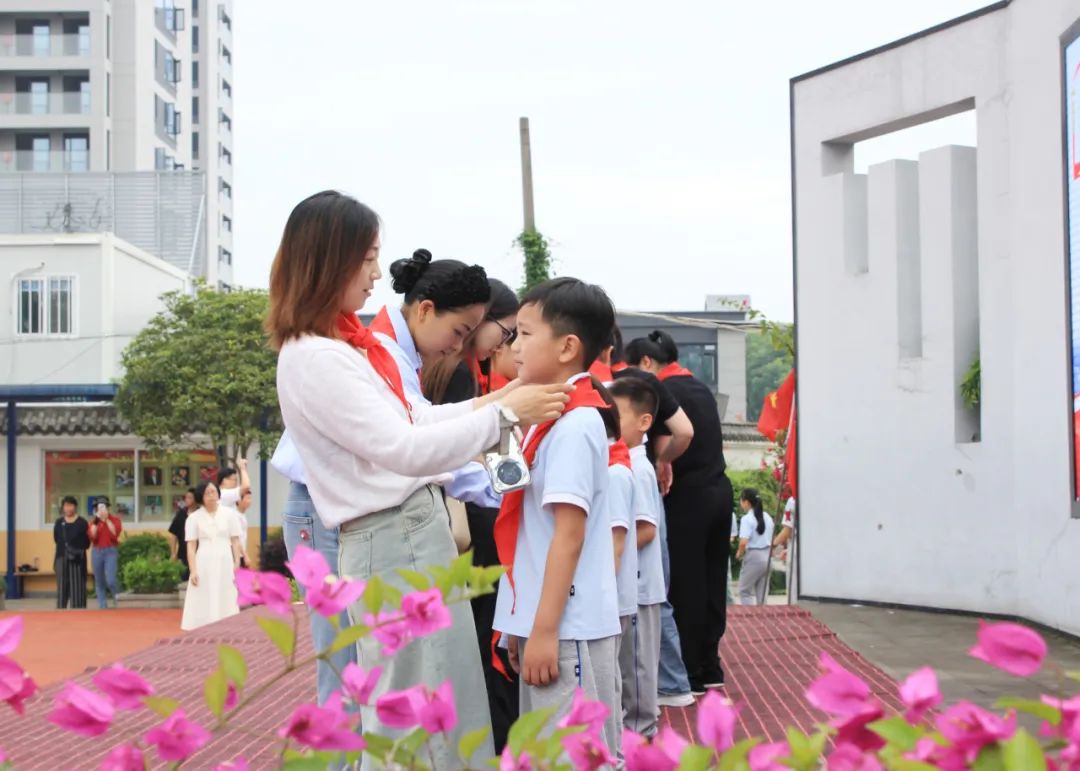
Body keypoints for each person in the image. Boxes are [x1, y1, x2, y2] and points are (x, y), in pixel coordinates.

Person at [268, 190, 569, 766]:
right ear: (331, 259)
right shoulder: (318, 355)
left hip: (401, 535)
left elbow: (412, 421)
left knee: (434, 704)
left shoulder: (339, 347)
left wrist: (498, 400)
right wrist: (505, 413)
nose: (377, 273)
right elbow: (402, 447)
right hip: (393, 539)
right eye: (367, 258)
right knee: (413, 713)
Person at [492, 277, 622, 758]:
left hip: (567, 627)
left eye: (525, 334)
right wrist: (519, 621)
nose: (514, 347)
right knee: (545, 754)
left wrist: (543, 629)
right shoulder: (551, 417)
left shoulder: (575, 423)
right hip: (548, 621)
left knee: (571, 756)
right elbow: (529, 529)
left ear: (568, 347)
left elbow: (568, 536)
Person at [423, 276, 521, 753]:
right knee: (484, 639)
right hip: (477, 525)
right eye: (506, 333)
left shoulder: (462, 372)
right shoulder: (464, 376)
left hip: (471, 518)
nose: (507, 345)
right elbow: (470, 454)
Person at [625, 330, 733, 693]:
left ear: (645, 364)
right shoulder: (699, 387)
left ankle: (687, 672)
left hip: (687, 497)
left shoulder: (660, 394)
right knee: (713, 581)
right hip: (720, 490)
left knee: (685, 584)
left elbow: (677, 436)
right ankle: (710, 664)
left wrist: (661, 460)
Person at [610, 377, 665, 736]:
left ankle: (641, 733)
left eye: (616, 417)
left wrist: (611, 553)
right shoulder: (627, 461)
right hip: (632, 582)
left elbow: (646, 529)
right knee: (630, 665)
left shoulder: (639, 467)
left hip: (640, 586)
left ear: (644, 422)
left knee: (637, 666)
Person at [596, 384, 637, 743]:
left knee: (609, 686)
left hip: (608, 600)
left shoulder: (614, 473)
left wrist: (597, 595)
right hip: (605, 598)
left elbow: (616, 544)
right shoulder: (611, 466)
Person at [180, 481, 244, 631]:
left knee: (226, 590)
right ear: (200, 497)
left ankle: (227, 624)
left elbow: (235, 540)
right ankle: (202, 625)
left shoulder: (230, 514)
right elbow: (191, 546)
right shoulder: (193, 518)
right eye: (207, 493)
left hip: (225, 559)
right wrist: (193, 570)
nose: (211, 496)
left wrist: (237, 562)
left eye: (213, 492)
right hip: (203, 560)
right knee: (203, 591)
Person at [736, 488, 774, 606]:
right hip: (767, 556)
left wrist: (739, 553)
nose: (740, 503)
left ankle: (749, 619)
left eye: (741, 500)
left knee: (744, 591)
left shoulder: (746, 519)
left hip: (754, 556)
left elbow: (743, 542)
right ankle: (762, 620)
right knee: (762, 594)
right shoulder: (767, 516)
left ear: (746, 502)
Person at [54, 496, 89, 609]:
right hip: (61, 557)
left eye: (71, 505)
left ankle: (78, 610)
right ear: (63, 507)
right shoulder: (59, 522)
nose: (68, 508)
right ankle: (61, 609)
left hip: (77, 559)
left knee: (77, 587)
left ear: (75, 507)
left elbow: (86, 543)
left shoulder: (82, 522)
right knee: (62, 585)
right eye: (66, 505)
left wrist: (76, 549)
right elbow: (56, 538)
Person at [88, 497, 122, 609]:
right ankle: (103, 606)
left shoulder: (115, 519)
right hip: (97, 551)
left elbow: (115, 533)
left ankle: (118, 600)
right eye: (99, 507)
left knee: (111, 579)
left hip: (110, 550)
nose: (102, 510)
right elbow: (92, 535)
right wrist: (97, 520)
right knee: (99, 580)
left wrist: (107, 520)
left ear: (108, 508)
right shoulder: (93, 522)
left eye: (104, 507)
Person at [168, 488, 196, 581]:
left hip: (198, 554)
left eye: (190, 497)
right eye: (186, 497)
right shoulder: (181, 514)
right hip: (183, 554)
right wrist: (173, 553)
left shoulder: (201, 514)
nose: (186, 500)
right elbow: (173, 534)